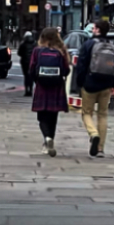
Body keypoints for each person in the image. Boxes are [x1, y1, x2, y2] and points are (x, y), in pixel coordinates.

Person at [74, 18, 114, 159]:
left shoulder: (88, 44)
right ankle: (100, 148)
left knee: (87, 113)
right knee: (103, 115)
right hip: (106, 85)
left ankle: (93, 134)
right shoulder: (113, 46)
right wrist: (113, 83)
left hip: (90, 84)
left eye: (94, 28)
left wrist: (80, 83)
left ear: (97, 30)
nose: (92, 29)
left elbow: (81, 66)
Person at [29, 27, 70, 157]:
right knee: (53, 116)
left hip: (42, 87)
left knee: (41, 117)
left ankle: (47, 138)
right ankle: (50, 139)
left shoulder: (37, 51)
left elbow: (31, 69)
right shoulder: (61, 51)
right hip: (57, 87)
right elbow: (66, 70)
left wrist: (38, 80)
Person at [17, 31, 36, 96]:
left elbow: (19, 53)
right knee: (31, 76)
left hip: (24, 62)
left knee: (26, 76)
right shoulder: (34, 43)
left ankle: (26, 90)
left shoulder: (23, 44)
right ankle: (30, 90)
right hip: (32, 62)